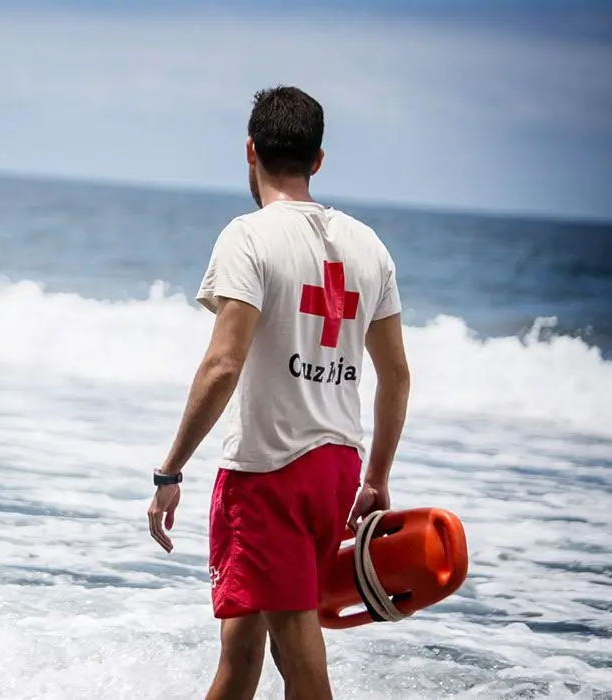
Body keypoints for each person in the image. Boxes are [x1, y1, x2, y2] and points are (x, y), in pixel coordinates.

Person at [146, 86, 412, 700]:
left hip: (268, 476)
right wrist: (376, 476)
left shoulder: (249, 237)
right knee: (240, 656)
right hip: (336, 473)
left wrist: (170, 471)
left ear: (249, 152)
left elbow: (222, 364)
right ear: (318, 160)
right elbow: (396, 375)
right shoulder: (369, 246)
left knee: (301, 664)